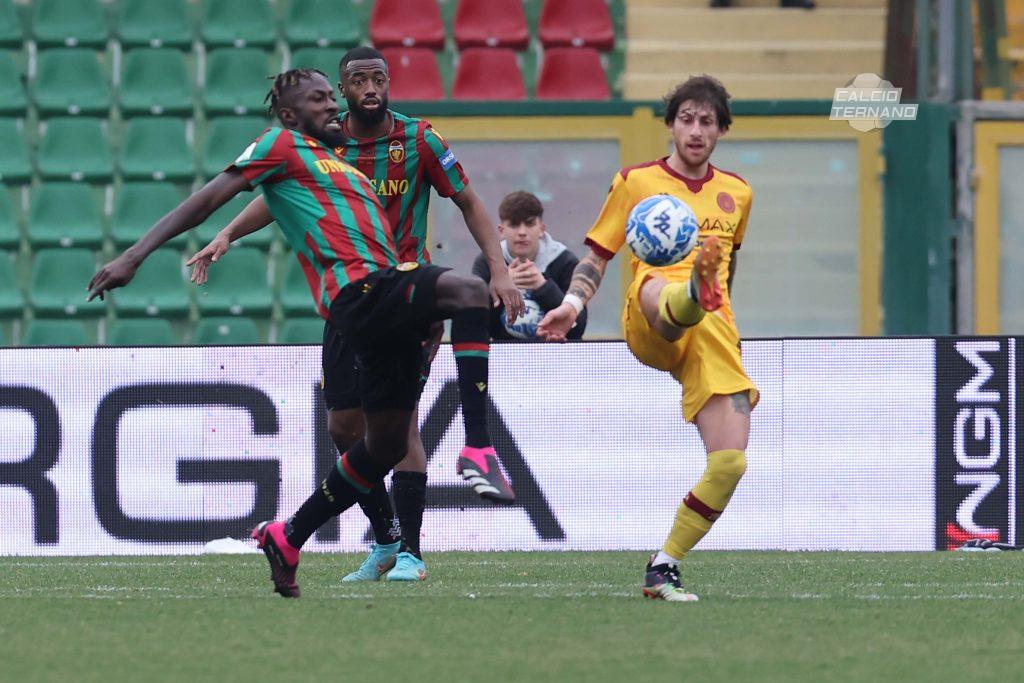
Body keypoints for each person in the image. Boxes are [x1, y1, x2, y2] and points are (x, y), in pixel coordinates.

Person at [87, 68, 523, 598]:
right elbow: (207, 198)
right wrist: (135, 256)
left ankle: (289, 535)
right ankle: (479, 448)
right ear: (291, 115)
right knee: (471, 293)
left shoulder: (340, 165)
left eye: (328, 97)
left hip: (381, 307)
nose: (331, 106)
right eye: (319, 99)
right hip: (361, 292)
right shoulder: (282, 144)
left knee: (382, 446)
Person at [537, 75, 758, 602]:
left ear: (721, 130)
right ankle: (690, 294)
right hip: (651, 314)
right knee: (665, 287)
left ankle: (664, 567)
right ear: (671, 125)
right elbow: (597, 257)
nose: (696, 130)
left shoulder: (738, 194)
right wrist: (570, 305)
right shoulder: (636, 182)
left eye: (707, 121)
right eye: (687, 119)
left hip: (713, 330)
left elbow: (732, 272)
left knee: (730, 463)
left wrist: (721, 315)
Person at [471, 191, 587, 341]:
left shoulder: (565, 262)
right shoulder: (487, 262)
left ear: (542, 229)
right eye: (514, 225)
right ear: (501, 231)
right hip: (502, 353)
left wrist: (544, 288)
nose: (522, 232)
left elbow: (579, 327)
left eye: (529, 224)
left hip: (552, 351)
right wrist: (502, 286)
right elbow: (474, 321)